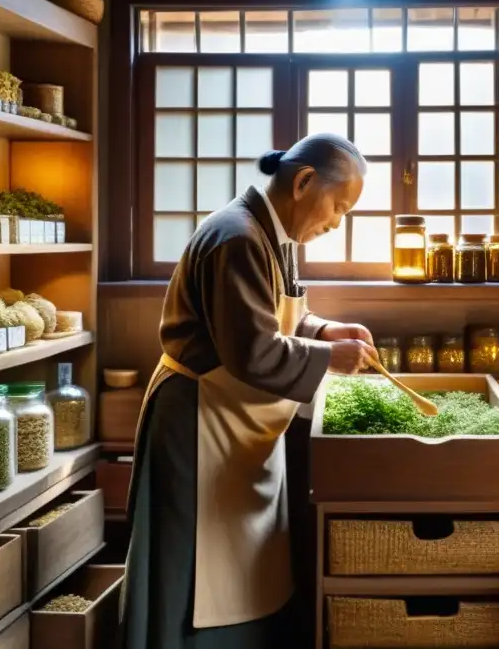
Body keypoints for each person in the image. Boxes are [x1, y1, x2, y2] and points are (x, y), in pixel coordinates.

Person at [121, 133, 379, 649]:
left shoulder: (273, 234)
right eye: (339, 206)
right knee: (194, 570)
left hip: (234, 422)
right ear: (304, 182)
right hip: (198, 421)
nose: (336, 222)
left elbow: (285, 320)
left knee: (243, 570)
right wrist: (332, 359)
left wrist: (325, 332)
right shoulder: (236, 236)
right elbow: (253, 352)